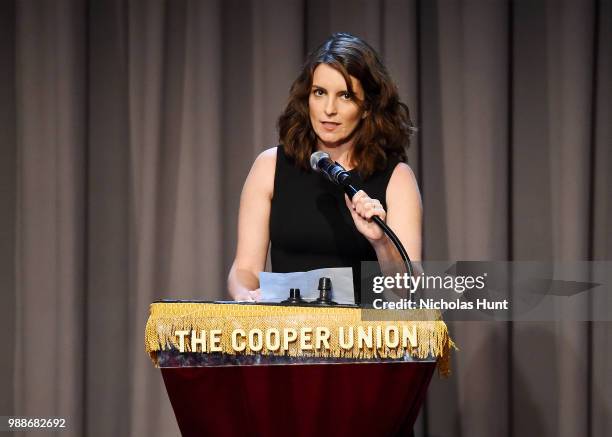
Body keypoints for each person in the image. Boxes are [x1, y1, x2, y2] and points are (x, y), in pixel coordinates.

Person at [227, 32, 422, 302]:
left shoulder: (396, 178)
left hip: (359, 340)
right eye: (320, 93)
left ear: (367, 107)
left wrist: (380, 242)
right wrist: (245, 295)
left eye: (345, 96)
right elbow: (245, 268)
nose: (329, 109)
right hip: (286, 338)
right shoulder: (269, 167)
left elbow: (410, 290)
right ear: (307, 98)